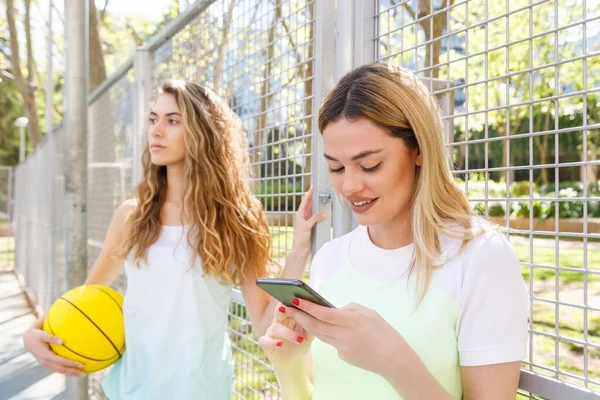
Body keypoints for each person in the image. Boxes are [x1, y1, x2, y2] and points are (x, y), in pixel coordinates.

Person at [23, 80, 324, 399]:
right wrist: (36, 332)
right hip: (132, 389)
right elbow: (85, 299)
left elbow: (264, 323)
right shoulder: (131, 216)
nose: (156, 131)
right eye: (153, 119)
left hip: (201, 389)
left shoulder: (236, 220)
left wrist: (299, 251)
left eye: (172, 121)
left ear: (203, 131)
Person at [259, 63, 529, 399]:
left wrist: (395, 363)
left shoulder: (480, 256)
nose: (350, 185)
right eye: (336, 167)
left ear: (418, 148)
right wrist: (289, 370)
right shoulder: (331, 256)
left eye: (369, 165)